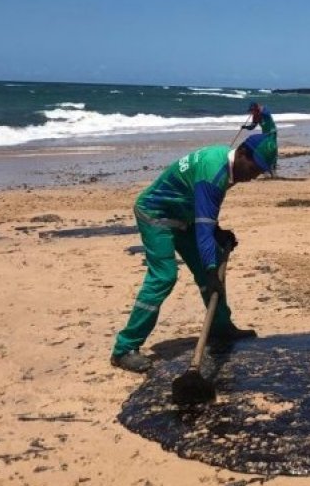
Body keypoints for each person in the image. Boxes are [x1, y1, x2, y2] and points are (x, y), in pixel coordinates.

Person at [110, 134, 278, 373]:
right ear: (242, 153)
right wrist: (211, 268)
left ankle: (220, 328)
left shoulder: (225, 165)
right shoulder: (214, 173)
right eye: (255, 168)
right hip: (156, 213)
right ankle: (124, 349)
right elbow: (203, 229)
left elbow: (204, 211)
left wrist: (217, 234)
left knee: (209, 267)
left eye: (261, 171)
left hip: (183, 216)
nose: (255, 176)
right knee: (164, 276)